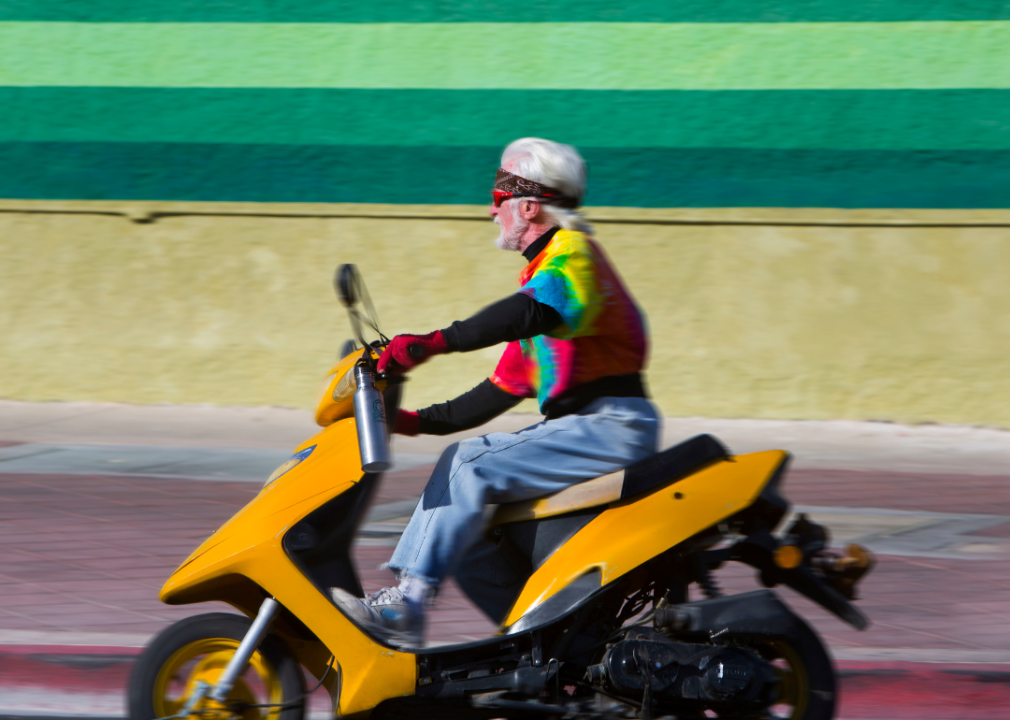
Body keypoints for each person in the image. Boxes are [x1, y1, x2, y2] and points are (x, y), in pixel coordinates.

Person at [332, 138, 660, 646]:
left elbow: (523, 314)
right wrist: (409, 421)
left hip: (610, 424)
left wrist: (431, 344)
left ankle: (407, 606)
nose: (491, 210)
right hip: (585, 428)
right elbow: (498, 391)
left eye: (497, 196)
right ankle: (536, 644)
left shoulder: (572, 255)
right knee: (470, 534)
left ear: (528, 205)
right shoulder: (545, 280)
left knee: (466, 465)